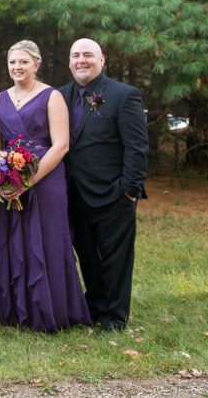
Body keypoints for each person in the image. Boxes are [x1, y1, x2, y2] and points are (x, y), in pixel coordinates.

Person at [0, 40, 91, 331]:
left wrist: (27, 181)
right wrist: (3, 170)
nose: (17, 68)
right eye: (12, 62)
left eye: (23, 62)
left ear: (36, 65)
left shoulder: (52, 96)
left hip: (45, 180)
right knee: (15, 241)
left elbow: (61, 145)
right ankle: (19, 312)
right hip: (10, 182)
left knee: (47, 241)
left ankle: (52, 311)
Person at [61, 38, 148, 331]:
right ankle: (96, 306)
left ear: (102, 59)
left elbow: (137, 147)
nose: (81, 60)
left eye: (88, 55)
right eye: (76, 56)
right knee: (87, 256)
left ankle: (114, 318)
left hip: (113, 192)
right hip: (74, 194)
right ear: (69, 61)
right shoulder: (59, 96)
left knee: (115, 259)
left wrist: (129, 189)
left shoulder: (124, 95)